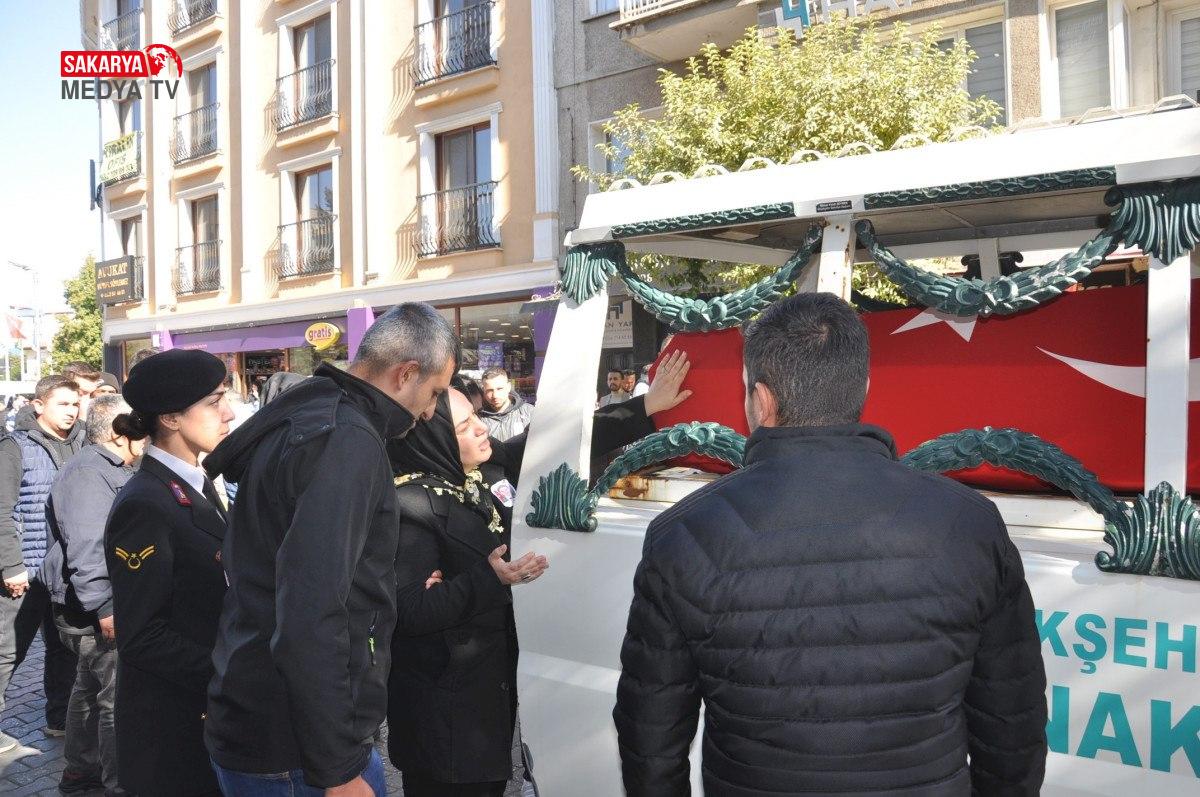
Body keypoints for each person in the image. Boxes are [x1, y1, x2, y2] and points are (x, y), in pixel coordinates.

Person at [613, 294, 1048, 796]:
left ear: (761, 399)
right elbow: (1012, 724)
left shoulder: (683, 535)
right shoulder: (969, 523)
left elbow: (651, 738)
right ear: (863, 387)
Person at [387, 351, 694, 797]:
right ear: (431, 439)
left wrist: (646, 406)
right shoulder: (408, 506)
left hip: (489, 701)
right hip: (442, 714)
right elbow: (410, 610)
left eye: (477, 417)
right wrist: (489, 579)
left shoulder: (483, 469)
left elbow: (553, 441)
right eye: (465, 426)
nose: (482, 428)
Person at [203, 303, 458, 797]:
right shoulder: (345, 438)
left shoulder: (317, 417)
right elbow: (311, 609)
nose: (431, 412)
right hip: (297, 748)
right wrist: (336, 768)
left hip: (270, 722)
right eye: (434, 393)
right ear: (406, 373)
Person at [103, 349, 234, 797]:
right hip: (173, 729)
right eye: (214, 402)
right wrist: (230, 671)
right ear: (172, 418)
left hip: (203, 718)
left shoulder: (194, 482)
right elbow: (142, 635)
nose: (228, 413)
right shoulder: (146, 502)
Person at [43, 394, 143, 795]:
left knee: (88, 688)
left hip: (90, 605)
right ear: (119, 433)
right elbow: (89, 546)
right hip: (94, 607)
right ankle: (118, 783)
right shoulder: (89, 472)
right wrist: (106, 606)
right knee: (115, 699)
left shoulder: (109, 466)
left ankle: (80, 770)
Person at [0, 374, 85, 750]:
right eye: (62, 403)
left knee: (63, 645)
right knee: (8, 650)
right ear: (38, 405)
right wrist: (11, 565)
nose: (71, 411)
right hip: (26, 570)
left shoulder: (83, 442)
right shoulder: (15, 447)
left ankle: (60, 718)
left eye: (75, 403)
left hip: (65, 569)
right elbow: (2, 512)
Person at [478, 368, 535, 442]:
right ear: (483, 390)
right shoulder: (478, 419)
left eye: (499, 389)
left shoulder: (529, 412)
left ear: (509, 387)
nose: (495, 395)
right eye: (489, 390)